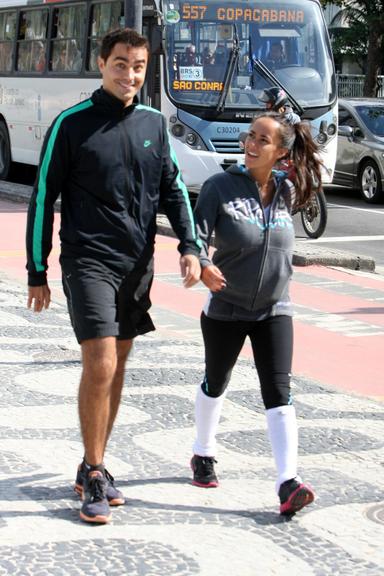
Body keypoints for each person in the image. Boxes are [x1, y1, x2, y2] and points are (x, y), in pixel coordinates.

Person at [26, 27, 201, 524]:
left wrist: (191, 246)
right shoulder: (72, 124)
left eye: (139, 66)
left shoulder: (152, 123)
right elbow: (43, 197)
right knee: (100, 360)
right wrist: (37, 267)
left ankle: (90, 464)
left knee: (119, 362)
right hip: (87, 260)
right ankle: (98, 470)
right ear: (102, 64)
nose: (129, 74)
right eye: (121, 63)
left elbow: (174, 191)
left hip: (135, 264)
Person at [190, 111, 322, 516]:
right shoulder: (219, 187)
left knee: (279, 392)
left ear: (280, 151)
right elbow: (194, 236)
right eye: (250, 136)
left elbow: (316, 176)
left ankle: (288, 481)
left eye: (263, 140)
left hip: (274, 309)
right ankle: (203, 452)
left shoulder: (289, 189)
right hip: (225, 307)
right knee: (217, 381)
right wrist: (201, 263)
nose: (250, 143)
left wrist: (298, 143)